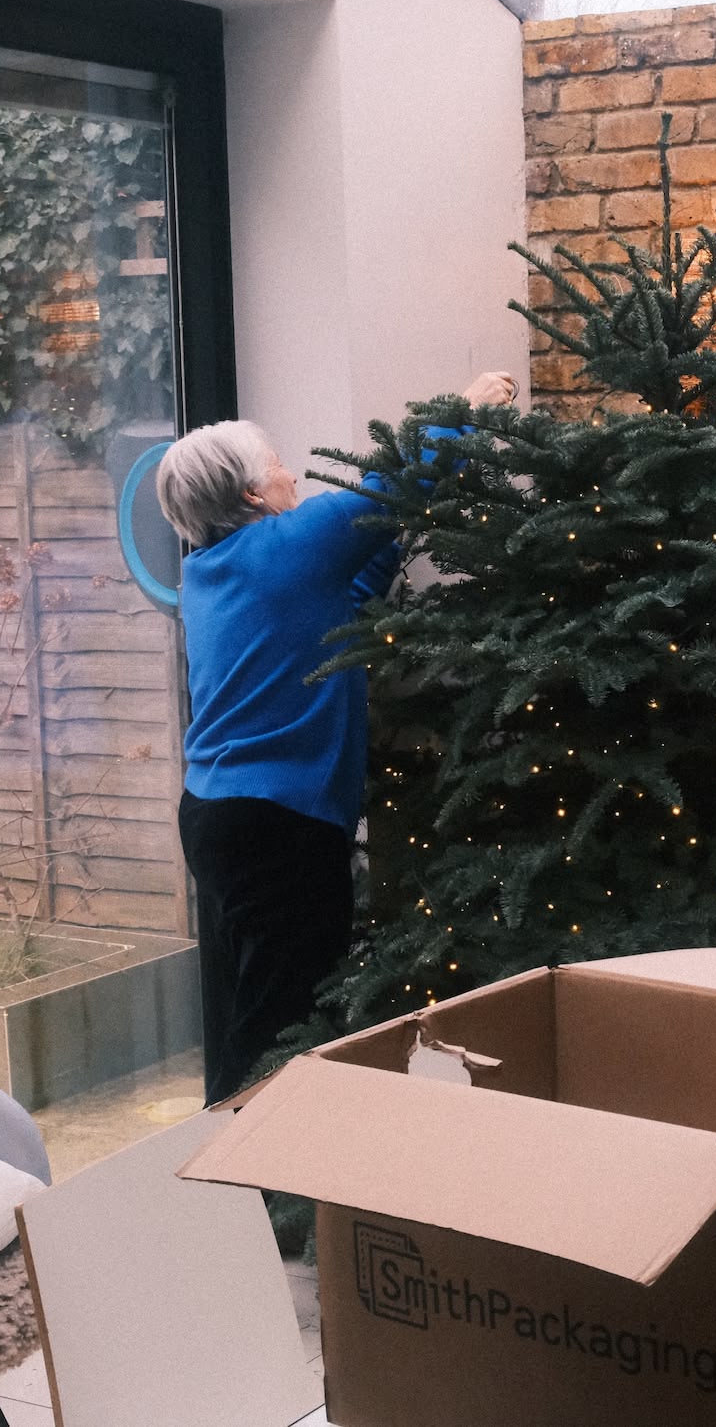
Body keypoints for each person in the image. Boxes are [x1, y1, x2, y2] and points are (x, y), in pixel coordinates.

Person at [158, 384, 512, 1103]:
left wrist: (388, 542)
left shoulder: (212, 570)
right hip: (276, 828)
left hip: (218, 817)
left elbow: (350, 593)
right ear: (255, 496)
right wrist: (459, 407)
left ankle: (228, 1169)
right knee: (281, 1026)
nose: (294, 475)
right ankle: (254, 1190)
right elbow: (400, 487)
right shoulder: (287, 543)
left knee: (245, 1006)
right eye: (279, 466)